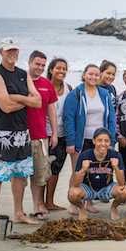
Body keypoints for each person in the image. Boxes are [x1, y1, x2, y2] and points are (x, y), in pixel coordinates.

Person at [0, 37, 42, 233]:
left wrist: (18, 97)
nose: (12, 53)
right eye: (8, 50)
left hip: (22, 133)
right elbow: (6, 106)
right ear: (1, 52)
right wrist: (26, 99)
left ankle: (18, 213)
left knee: (19, 175)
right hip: (1, 134)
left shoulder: (22, 74)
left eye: (15, 50)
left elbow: (38, 102)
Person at [64, 64, 116, 215]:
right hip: (81, 140)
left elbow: (111, 119)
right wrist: (70, 142)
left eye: (96, 74)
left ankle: (88, 203)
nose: (93, 77)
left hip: (101, 141)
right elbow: (69, 119)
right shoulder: (76, 94)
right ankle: (74, 204)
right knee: (78, 172)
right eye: (90, 74)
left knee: (92, 172)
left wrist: (111, 142)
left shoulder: (105, 94)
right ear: (84, 75)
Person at [68, 128, 126, 221]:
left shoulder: (115, 155)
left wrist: (116, 168)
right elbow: (76, 184)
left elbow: (122, 183)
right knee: (72, 193)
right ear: (93, 141)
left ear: (110, 142)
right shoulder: (84, 155)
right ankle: (82, 208)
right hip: (88, 189)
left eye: (106, 141)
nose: (103, 144)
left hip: (106, 188)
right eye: (99, 140)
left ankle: (113, 208)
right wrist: (83, 170)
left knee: (124, 191)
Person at [25, 50, 58, 220]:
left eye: (43, 65)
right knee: (21, 175)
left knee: (40, 174)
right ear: (29, 63)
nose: (40, 68)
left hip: (41, 136)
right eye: (37, 64)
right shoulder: (20, 81)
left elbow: (51, 109)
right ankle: (18, 210)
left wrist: (54, 134)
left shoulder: (47, 83)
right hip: (21, 137)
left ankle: (36, 207)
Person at [44, 57, 72, 211]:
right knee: (43, 169)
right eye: (58, 68)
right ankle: (40, 203)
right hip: (46, 134)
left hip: (63, 135)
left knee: (56, 169)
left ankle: (50, 202)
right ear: (50, 70)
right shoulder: (43, 86)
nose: (61, 71)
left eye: (64, 69)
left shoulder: (68, 87)